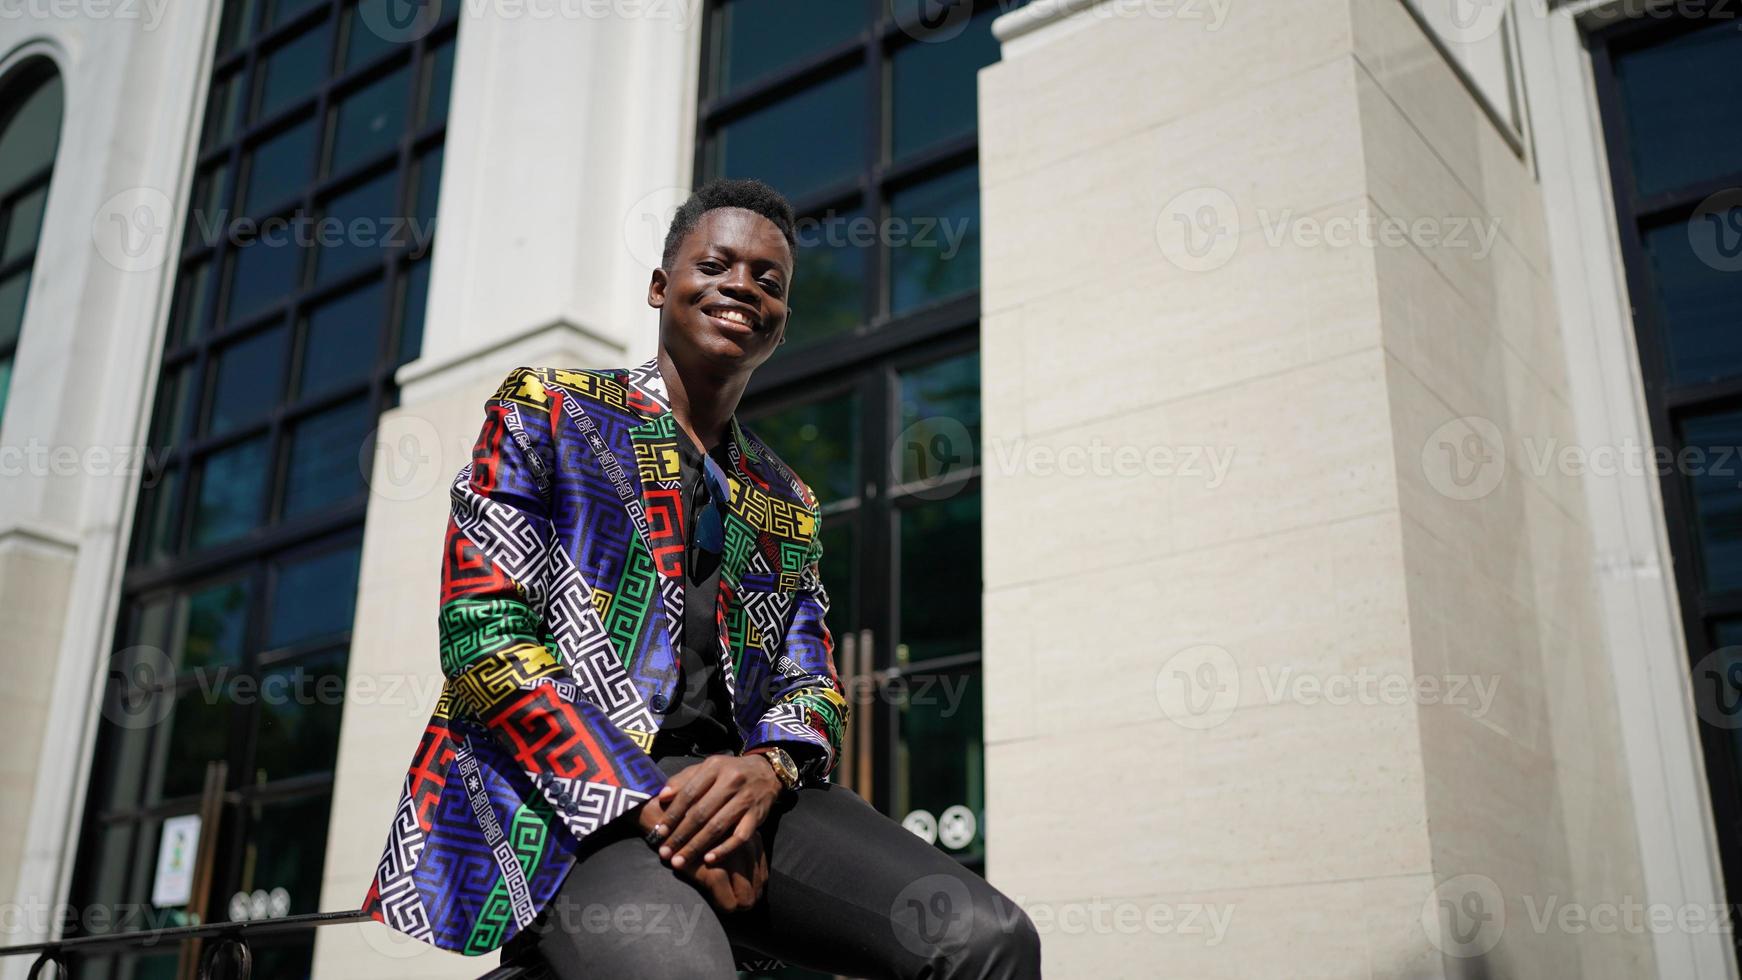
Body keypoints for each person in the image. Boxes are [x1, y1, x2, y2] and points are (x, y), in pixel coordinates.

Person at [362, 178, 1042, 979]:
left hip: (744, 793)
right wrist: (649, 804)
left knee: (986, 937)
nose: (743, 287)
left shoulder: (786, 497)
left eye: (770, 280)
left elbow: (813, 681)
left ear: (782, 323)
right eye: (717, 264)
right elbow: (484, 637)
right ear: (660, 286)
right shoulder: (549, 410)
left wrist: (766, 771)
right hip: (573, 800)